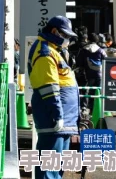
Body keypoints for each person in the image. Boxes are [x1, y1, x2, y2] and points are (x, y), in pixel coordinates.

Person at [27, 16, 79, 179]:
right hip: (55, 119)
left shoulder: (53, 50)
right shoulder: (45, 52)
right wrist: (57, 116)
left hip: (63, 120)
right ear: (55, 31)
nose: (67, 40)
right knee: (50, 167)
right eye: (66, 36)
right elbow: (48, 88)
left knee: (57, 167)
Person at [76, 33, 106, 114]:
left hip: (87, 74)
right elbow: (106, 61)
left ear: (88, 39)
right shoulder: (101, 50)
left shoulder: (84, 50)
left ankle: (84, 108)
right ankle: (97, 109)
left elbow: (79, 62)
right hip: (100, 74)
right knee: (98, 91)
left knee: (87, 91)